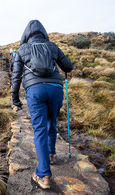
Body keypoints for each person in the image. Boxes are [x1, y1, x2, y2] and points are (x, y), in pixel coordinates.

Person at [11, 20, 73, 190]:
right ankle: (51, 153)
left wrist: (15, 98)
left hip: (35, 90)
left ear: (26, 34)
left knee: (39, 129)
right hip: (55, 89)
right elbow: (69, 66)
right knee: (51, 122)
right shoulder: (52, 46)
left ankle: (43, 174)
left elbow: (16, 76)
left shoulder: (22, 50)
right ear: (43, 32)